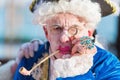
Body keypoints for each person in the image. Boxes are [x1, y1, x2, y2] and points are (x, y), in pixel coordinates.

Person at [14, 0, 120, 80]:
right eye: (56, 28)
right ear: (46, 32)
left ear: (89, 33)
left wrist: (75, 69)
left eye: (74, 29)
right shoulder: (29, 60)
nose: (63, 38)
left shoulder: (109, 65)